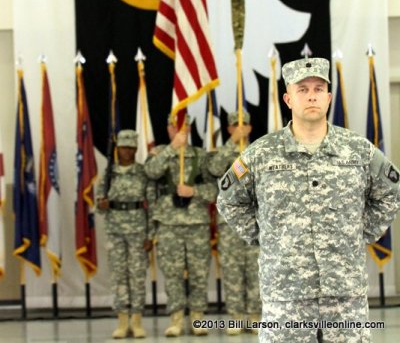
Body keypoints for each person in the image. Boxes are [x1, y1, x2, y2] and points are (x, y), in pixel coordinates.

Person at [217, 57, 400, 342]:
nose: (311, 95)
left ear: (329, 97)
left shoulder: (358, 150)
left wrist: (362, 231)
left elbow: (391, 191)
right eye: (302, 89)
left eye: (318, 89)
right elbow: (229, 199)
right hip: (285, 295)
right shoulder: (261, 154)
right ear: (288, 99)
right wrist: (263, 235)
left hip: (345, 296)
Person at [144, 114, 217, 337]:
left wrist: (194, 191)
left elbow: (215, 190)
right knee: (172, 273)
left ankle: (197, 317)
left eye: (183, 125)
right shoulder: (159, 153)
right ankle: (176, 318)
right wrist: (172, 148)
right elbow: (151, 172)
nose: (178, 130)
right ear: (169, 129)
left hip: (196, 223)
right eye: (174, 126)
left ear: (189, 128)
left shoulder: (201, 156)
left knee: (199, 272)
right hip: (169, 223)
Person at [96, 129, 155, 339]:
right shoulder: (108, 174)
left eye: (131, 148)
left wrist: (150, 235)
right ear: (117, 149)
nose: (127, 152)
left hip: (138, 230)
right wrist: (102, 204)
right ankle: (122, 321)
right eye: (123, 148)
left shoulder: (143, 173)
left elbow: (152, 205)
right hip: (115, 231)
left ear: (136, 149)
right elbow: (98, 205)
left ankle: (136, 320)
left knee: (137, 275)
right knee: (118, 275)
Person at [208, 110, 261, 335]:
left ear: (250, 128)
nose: (240, 128)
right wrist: (232, 143)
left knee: (255, 269)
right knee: (232, 270)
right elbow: (214, 169)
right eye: (235, 125)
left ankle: (255, 315)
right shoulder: (221, 152)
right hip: (229, 222)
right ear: (229, 128)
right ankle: (236, 316)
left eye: (244, 124)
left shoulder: (258, 151)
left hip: (255, 220)